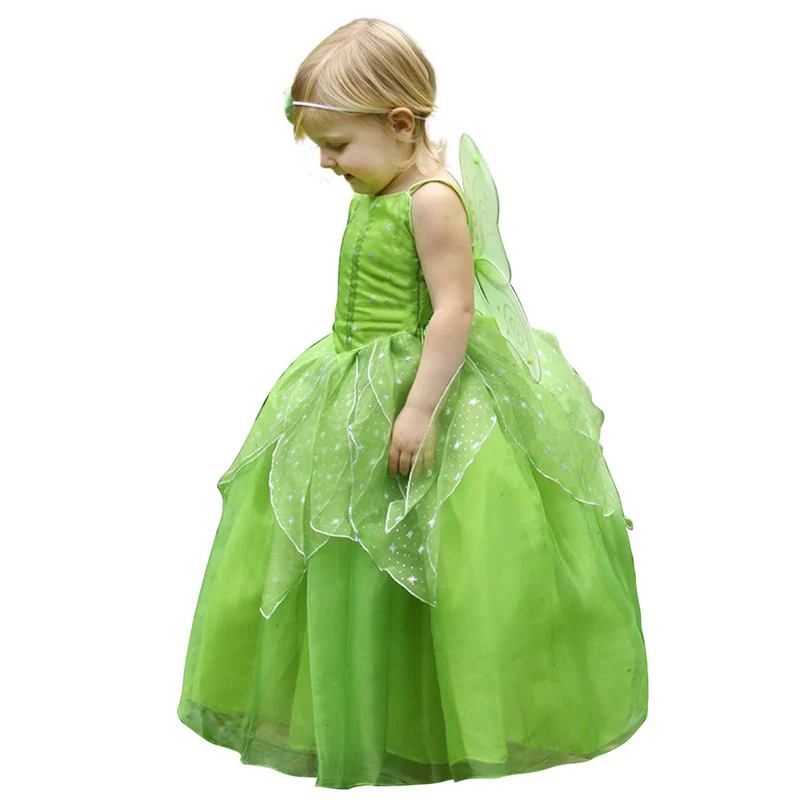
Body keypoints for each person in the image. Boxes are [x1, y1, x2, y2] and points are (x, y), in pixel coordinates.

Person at [177, 17, 648, 790]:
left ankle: (440, 713)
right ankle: (366, 704)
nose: (327, 163)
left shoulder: (431, 200)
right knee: (348, 546)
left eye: (337, 145)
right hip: (350, 376)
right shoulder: (378, 185)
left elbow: (454, 310)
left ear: (401, 124)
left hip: (421, 380)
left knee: (435, 547)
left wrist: (420, 408)